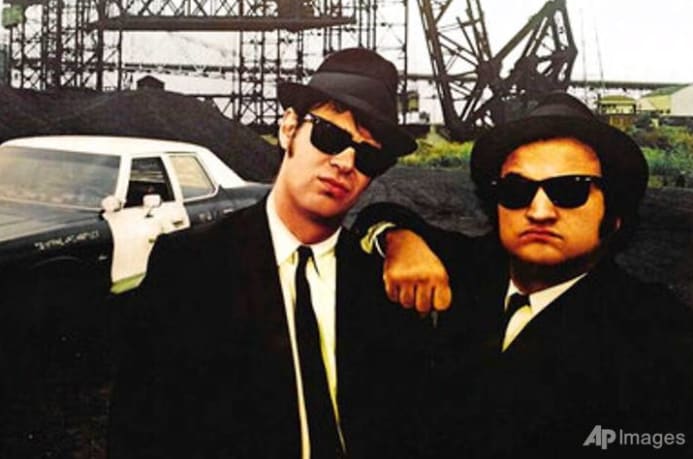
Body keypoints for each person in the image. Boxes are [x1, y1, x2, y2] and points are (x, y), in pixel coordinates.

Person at [108, 48, 430, 458]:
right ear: (288, 128)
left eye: (369, 155)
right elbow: (138, 429)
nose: (346, 162)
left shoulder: (384, 281)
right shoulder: (191, 265)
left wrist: (400, 232)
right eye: (330, 137)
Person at [355, 92, 693, 458]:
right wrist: (398, 240)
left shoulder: (656, 328)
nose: (539, 211)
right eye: (516, 190)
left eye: (570, 190)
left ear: (614, 216)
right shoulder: (472, 265)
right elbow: (379, 214)